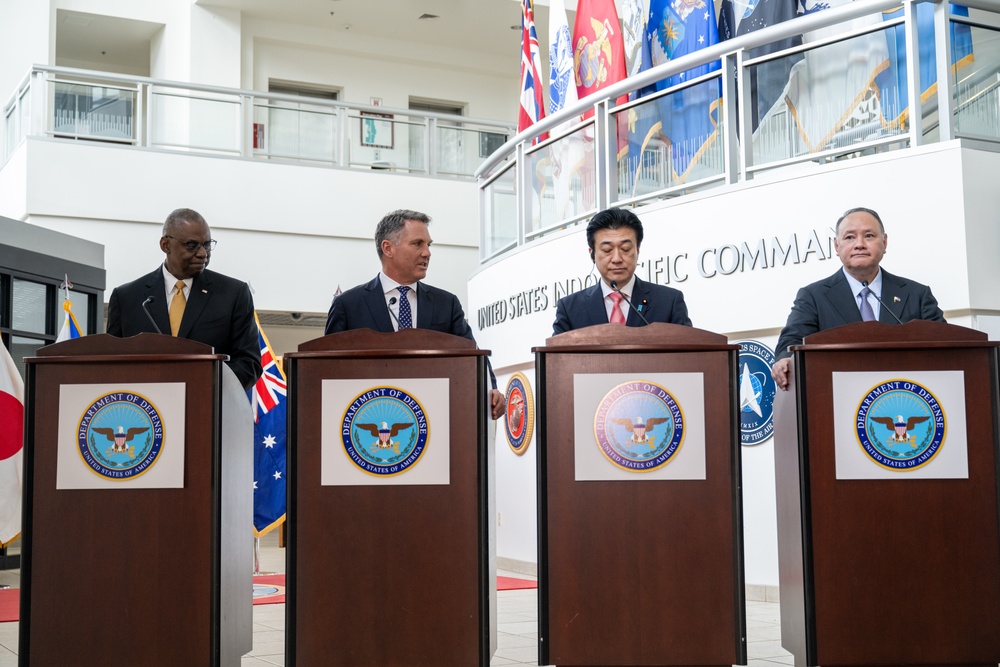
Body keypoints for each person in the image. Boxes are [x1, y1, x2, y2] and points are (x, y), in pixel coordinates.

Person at [325, 209, 506, 420]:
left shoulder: (446, 304)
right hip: (368, 420)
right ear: (388, 248)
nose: (427, 252)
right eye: (417, 244)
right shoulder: (348, 305)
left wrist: (491, 389)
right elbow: (328, 370)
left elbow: (473, 356)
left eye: (429, 245)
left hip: (433, 420)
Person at [771, 207, 945, 391]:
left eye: (869, 236)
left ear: (884, 242)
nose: (859, 244)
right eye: (849, 237)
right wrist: (784, 360)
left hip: (906, 395)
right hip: (838, 398)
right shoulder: (813, 296)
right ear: (836, 246)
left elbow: (946, 344)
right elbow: (791, 341)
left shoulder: (916, 294)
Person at [106, 208, 262, 391]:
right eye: (192, 245)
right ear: (165, 245)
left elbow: (249, 363)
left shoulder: (234, 294)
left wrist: (201, 385)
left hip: (207, 408)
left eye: (207, 245)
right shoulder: (127, 298)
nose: (203, 253)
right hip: (144, 412)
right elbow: (112, 364)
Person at [552, 207, 692, 334]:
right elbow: (555, 360)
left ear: (637, 250)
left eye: (625, 249)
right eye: (607, 250)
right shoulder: (570, 308)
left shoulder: (668, 302)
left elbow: (690, 356)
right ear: (592, 254)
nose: (617, 258)